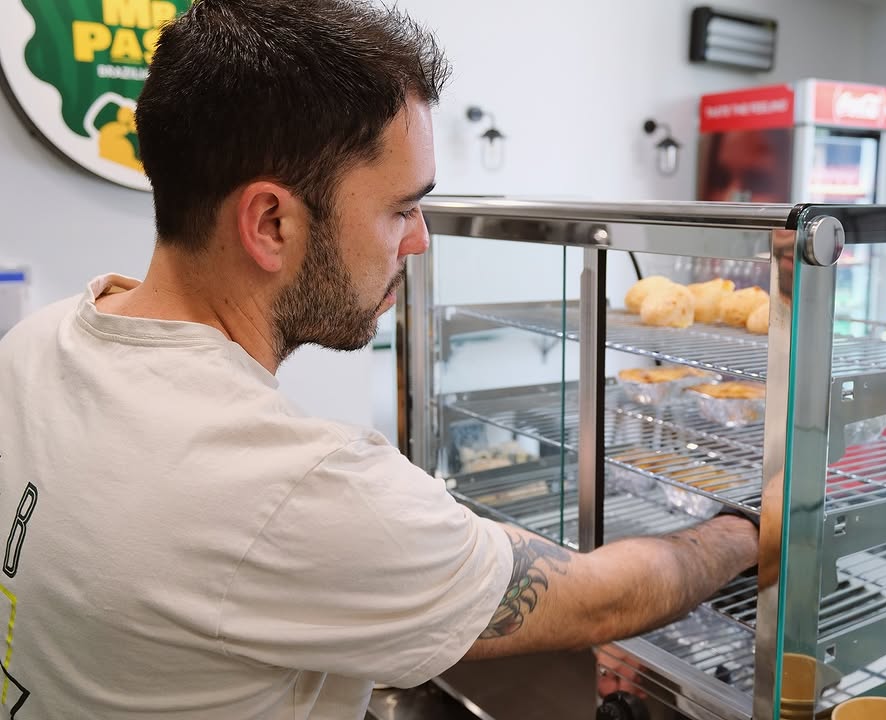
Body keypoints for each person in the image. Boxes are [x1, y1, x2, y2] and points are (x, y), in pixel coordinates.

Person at [0, 1, 761, 717]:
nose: (420, 239)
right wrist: (746, 529)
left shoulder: (40, 343)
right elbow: (597, 599)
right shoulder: (292, 488)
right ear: (270, 222)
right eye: (401, 207)